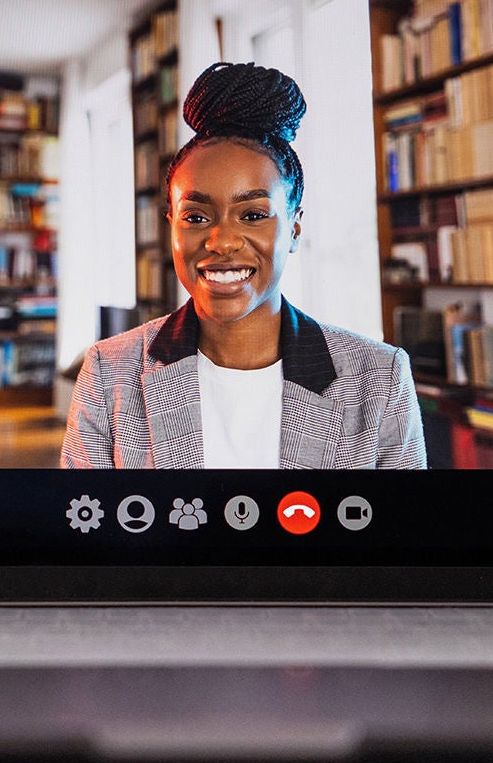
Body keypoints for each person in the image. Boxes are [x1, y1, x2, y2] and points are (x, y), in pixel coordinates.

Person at [62, 61, 426, 469]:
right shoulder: (109, 373)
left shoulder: (379, 379)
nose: (222, 242)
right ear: (171, 228)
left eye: (253, 215)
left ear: (294, 229)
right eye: (196, 217)